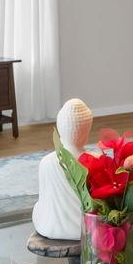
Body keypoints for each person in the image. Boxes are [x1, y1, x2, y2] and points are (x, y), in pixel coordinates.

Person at [31, 98, 94, 255]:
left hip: (50, 227)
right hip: (87, 228)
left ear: (59, 131)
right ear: (87, 133)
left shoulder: (46, 163)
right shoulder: (95, 160)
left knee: (38, 207)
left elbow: (44, 202)